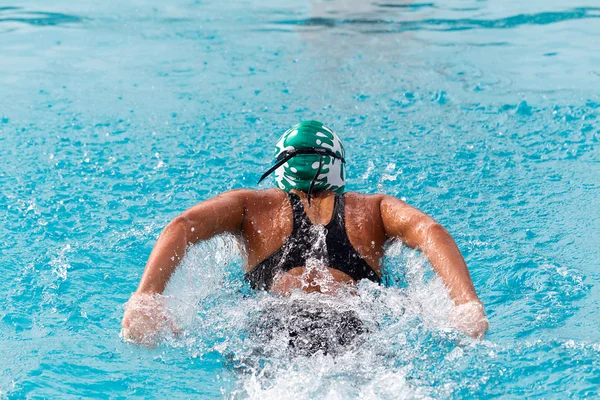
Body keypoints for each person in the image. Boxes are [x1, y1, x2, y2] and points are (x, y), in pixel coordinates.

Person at [121, 120, 488, 346]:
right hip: (353, 323)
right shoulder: (373, 209)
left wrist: (145, 299)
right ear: (338, 167)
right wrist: (465, 305)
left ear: (281, 167)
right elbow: (430, 231)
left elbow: (181, 226)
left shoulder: (251, 207)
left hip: (273, 325)